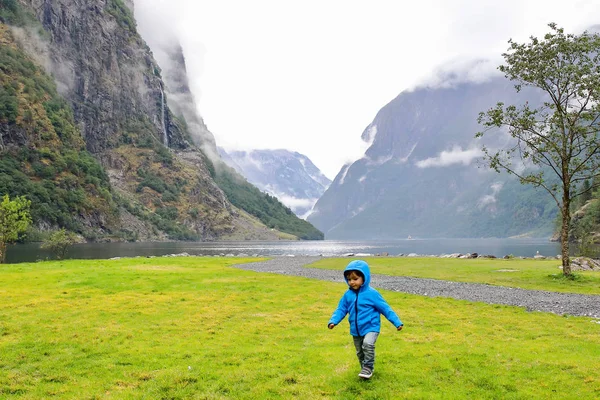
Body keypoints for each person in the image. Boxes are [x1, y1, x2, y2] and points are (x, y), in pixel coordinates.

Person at [328, 259, 403, 379]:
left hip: (371, 327)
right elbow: (341, 309)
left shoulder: (372, 294)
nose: (352, 282)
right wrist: (333, 321)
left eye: (355, 279)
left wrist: (397, 322)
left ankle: (368, 367)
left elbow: (385, 308)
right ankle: (364, 369)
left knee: (367, 344)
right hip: (356, 330)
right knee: (360, 352)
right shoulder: (347, 295)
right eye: (349, 279)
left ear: (364, 278)